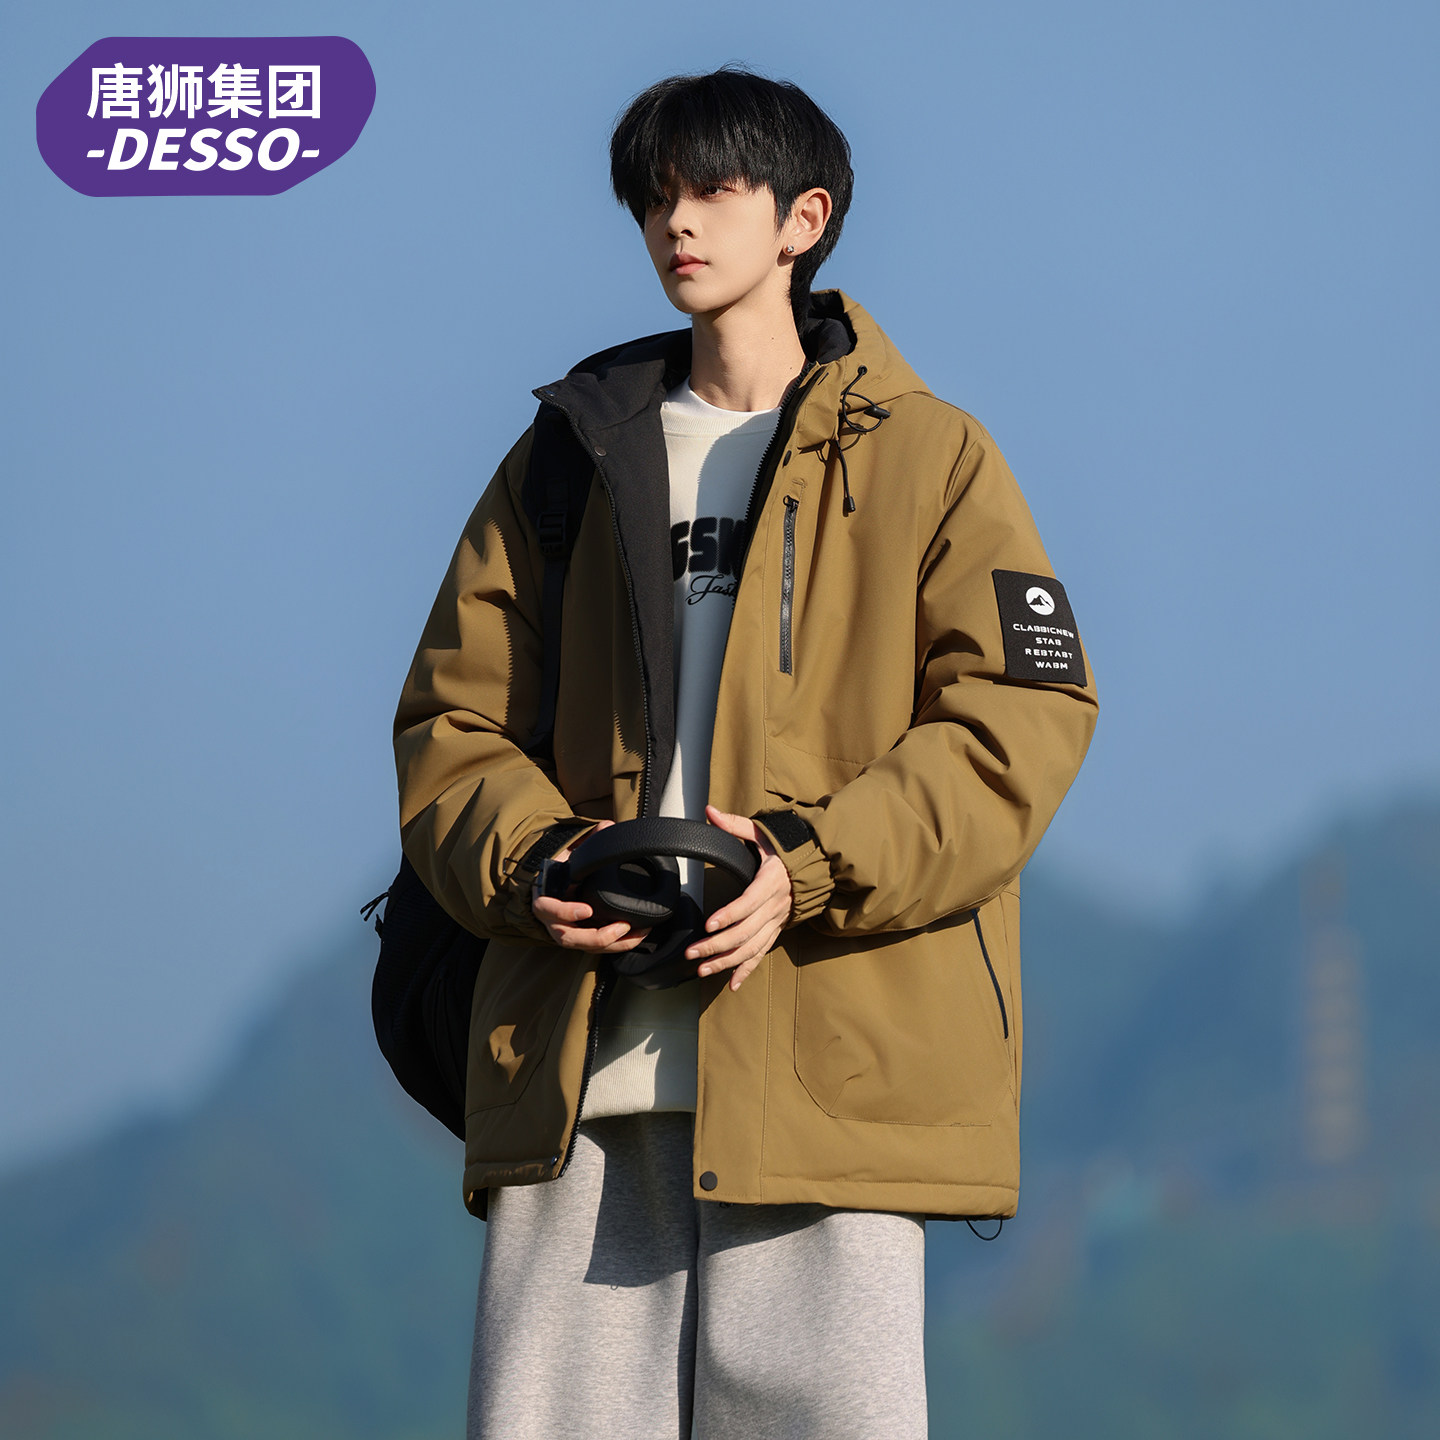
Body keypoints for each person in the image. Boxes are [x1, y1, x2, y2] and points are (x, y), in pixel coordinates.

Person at [393, 65, 1097, 1440]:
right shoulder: (567, 457)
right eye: (655, 197)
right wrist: (538, 861)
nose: (677, 222)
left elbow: (1020, 719)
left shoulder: (934, 459)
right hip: (582, 1065)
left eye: (713, 189)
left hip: (831, 1066)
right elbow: (451, 722)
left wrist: (808, 866)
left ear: (803, 219)